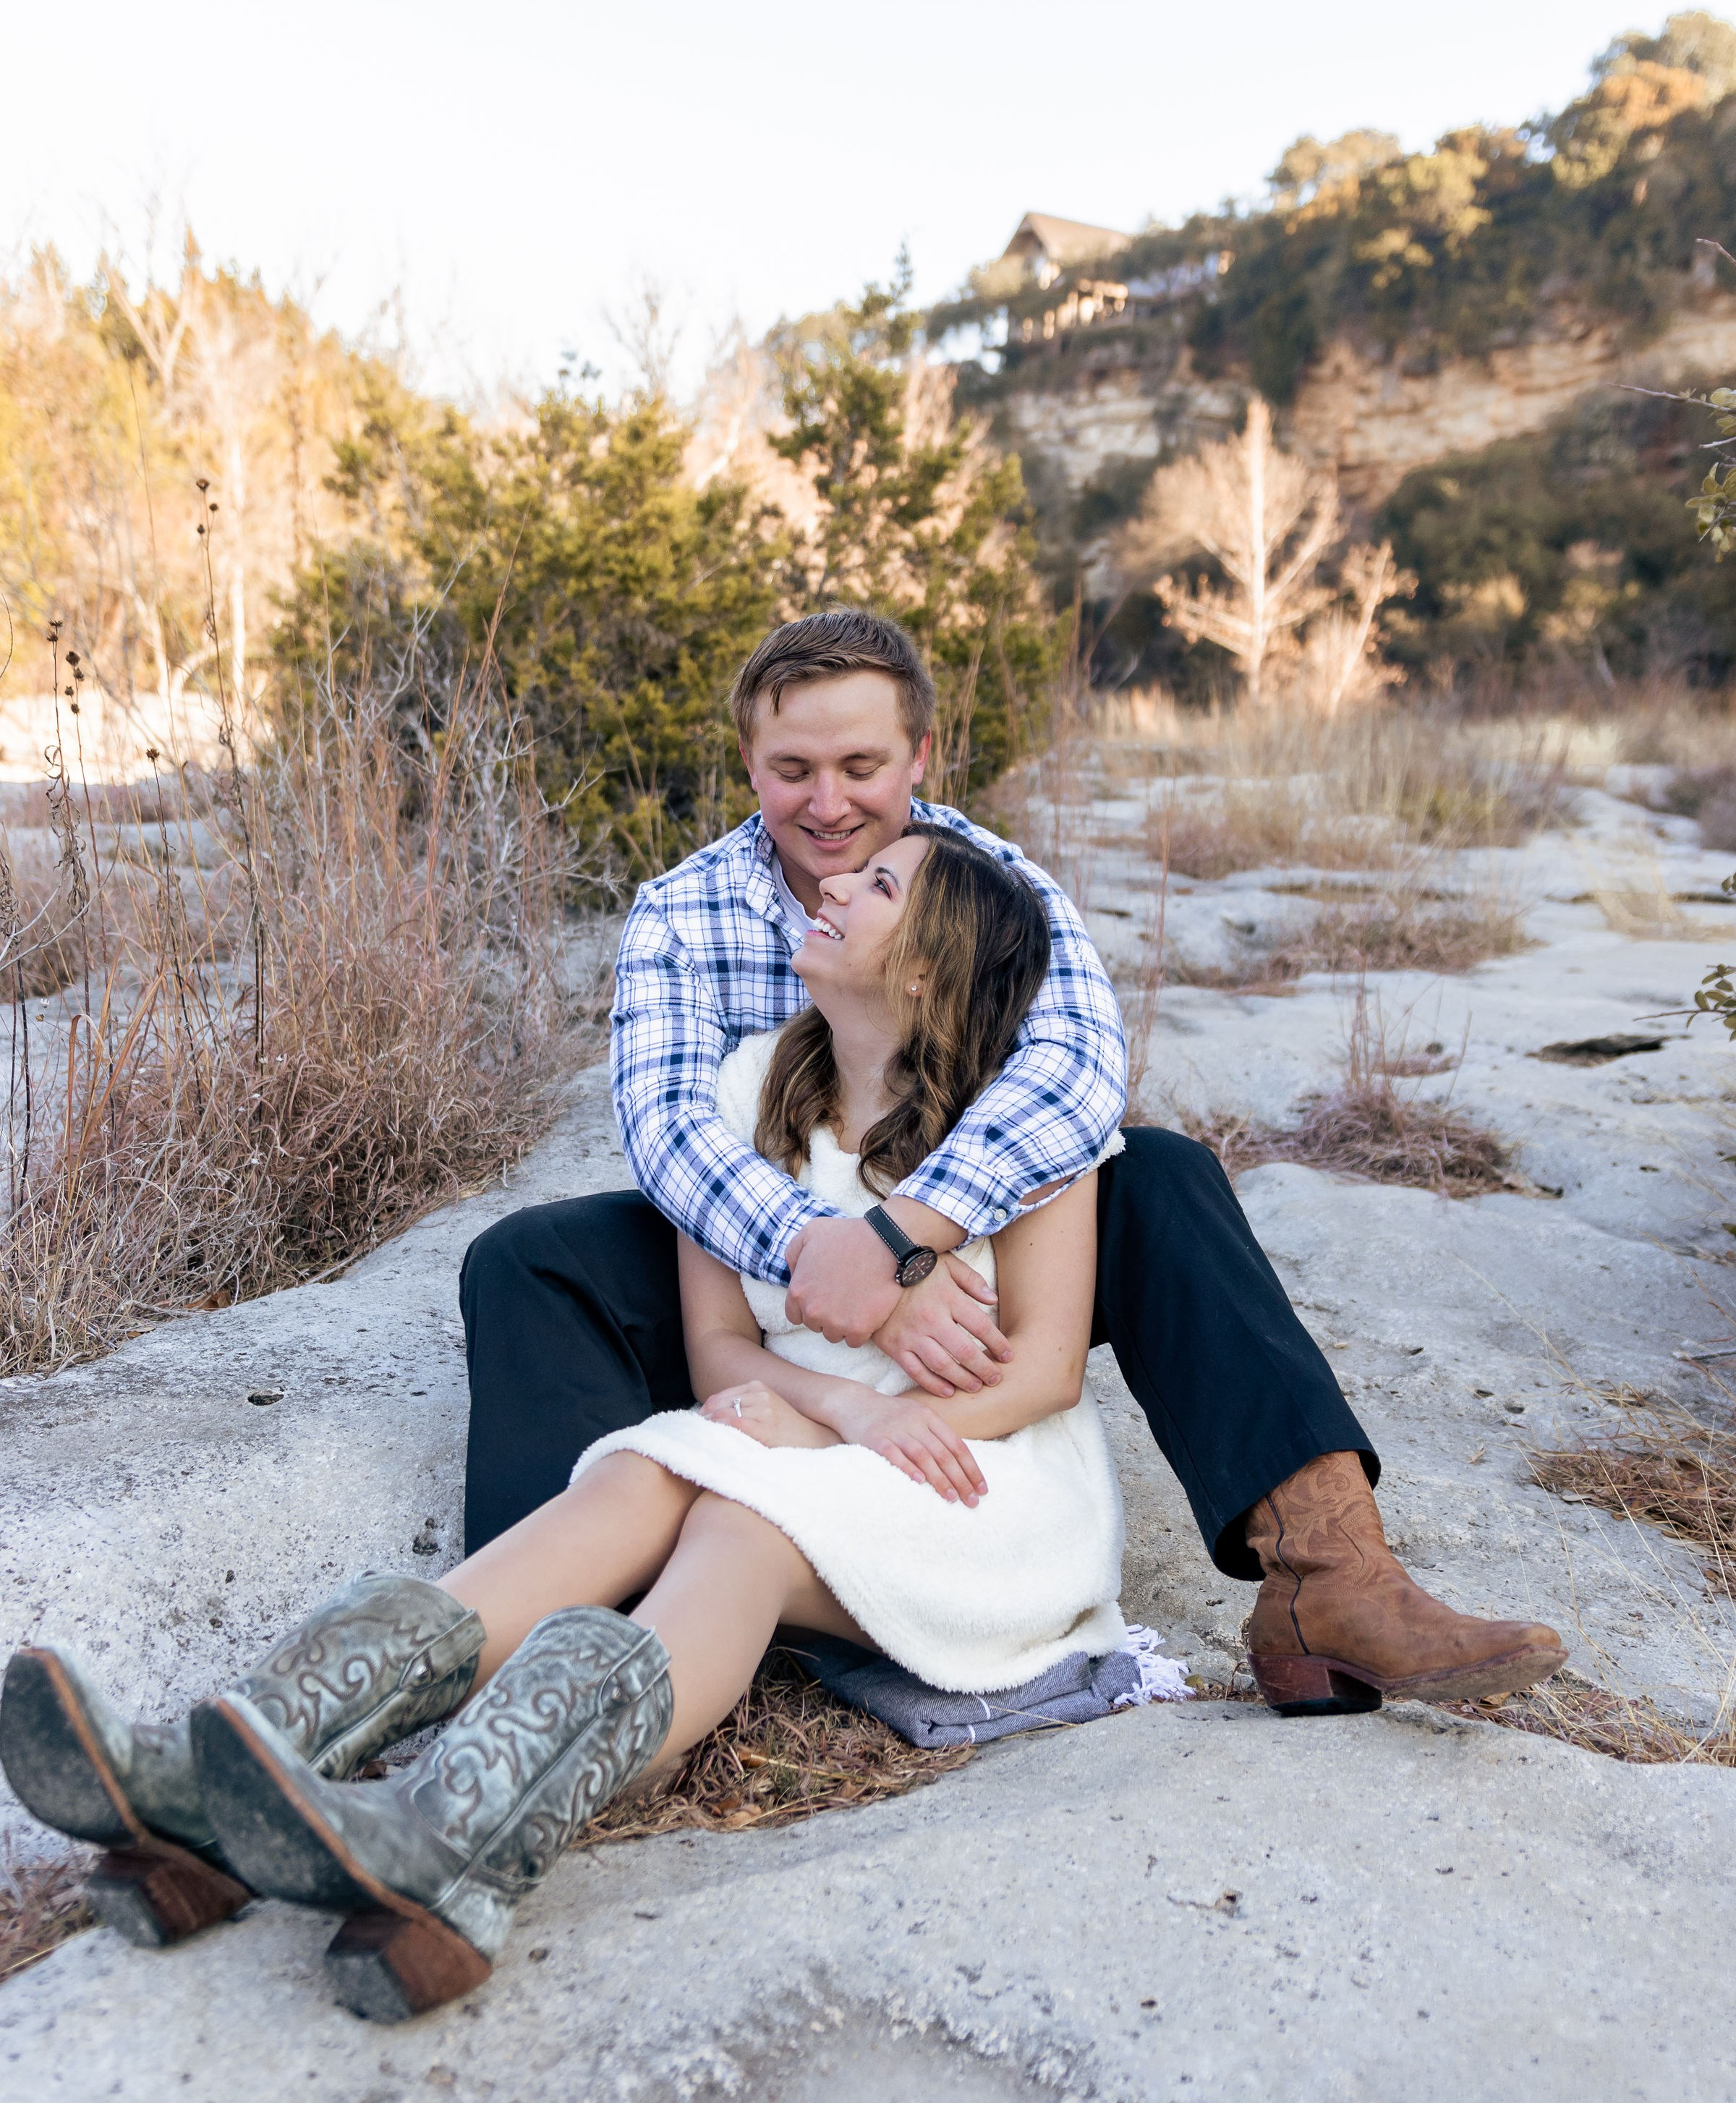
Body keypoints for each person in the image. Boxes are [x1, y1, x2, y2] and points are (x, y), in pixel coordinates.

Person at [1, 823, 1128, 2021]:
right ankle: (228, 1773)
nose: (835, 882)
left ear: (923, 968)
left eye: (879, 883)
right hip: (794, 1426)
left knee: (736, 1532)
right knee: (631, 1481)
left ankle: (460, 1831)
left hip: (977, 1471)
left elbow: (1049, 1373)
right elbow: (718, 1353)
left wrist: (844, 1429)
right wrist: (835, 1405)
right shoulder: (746, 1099)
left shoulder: (1016, 1125)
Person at [462, 606, 1566, 1717]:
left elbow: (1082, 1075)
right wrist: (838, 1261)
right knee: (526, 1258)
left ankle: (1329, 1581)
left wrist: (904, 1239)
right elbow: (669, 1131)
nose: (828, 803)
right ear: (749, 760)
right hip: (768, 1258)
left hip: (985, 1268)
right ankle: (558, 1610)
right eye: (792, 769)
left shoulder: (989, 885)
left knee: (1166, 1174)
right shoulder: (681, 913)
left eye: (861, 764)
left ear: (920, 757)